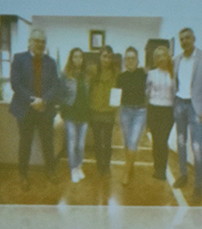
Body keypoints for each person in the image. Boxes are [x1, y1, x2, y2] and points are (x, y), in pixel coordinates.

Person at [8, 27, 59, 187]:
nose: (40, 44)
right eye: (36, 41)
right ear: (29, 42)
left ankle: (50, 171)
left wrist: (43, 100)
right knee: (25, 144)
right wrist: (33, 100)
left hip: (45, 109)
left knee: (48, 143)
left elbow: (55, 85)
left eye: (43, 42)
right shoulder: (19, 59)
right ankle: (23, 175)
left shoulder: (51, 62)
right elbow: (15, 84)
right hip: (25, 109)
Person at [172, 27, 202, 203]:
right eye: (181, 39)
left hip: (196, 108)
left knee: (197, 147)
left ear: (194, 38)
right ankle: (183, 175)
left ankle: (198, 186)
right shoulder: (176, 60)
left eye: (187, 38)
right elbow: (174, 83)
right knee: (181, 142)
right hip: (179, 105)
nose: (184, 41)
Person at [145, 43, 177, 183]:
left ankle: (162, 170)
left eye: (163, 55)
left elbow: (176, 93)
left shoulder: (173, 74)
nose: (161, 58)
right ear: (155, 59)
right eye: (157, 56)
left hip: (168, 111)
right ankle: (157, 168)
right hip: (153, 109)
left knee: (162, 140)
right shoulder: (151, 74)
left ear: (167, 57)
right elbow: (147, 93)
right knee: (156, 140)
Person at [116, 47, 148, 185]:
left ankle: (126, 173)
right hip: (125, 111)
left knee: (133, 142)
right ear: (124, 61)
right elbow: (116, 97)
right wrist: (115, 113)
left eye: (133, 58)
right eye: (128, 58)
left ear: (137, 60)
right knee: (127, 142)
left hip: (140, 112)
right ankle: (131, 166)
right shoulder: (120, 77)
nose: (130, 61)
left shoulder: (144, 74)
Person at [87, 47, 120, 179]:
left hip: (109, 112)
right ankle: (99, 164)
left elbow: (117, 92)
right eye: (104, 56)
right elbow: (88, 91)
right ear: (99, 57)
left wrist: (116, 113)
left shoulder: (116, 72)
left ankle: (106, 165)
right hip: (95, 111)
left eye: (109, 57)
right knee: (97, 141)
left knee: (107, 141)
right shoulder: (92, 70)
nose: (107, 59)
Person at [59, 48, 91, 185]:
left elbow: (89, 95)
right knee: (72, 143)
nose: (78, 59)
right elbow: (60, 94)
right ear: (71, 59)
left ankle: (79, 166)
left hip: (84, 114)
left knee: (81, 145)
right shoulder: (65, 74)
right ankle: (73, 169)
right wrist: (63, 111)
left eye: (80, 57)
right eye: (75, 57)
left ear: (83, 59)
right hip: (71, 114)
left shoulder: (87, 75)